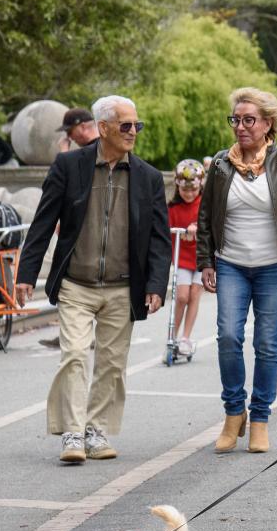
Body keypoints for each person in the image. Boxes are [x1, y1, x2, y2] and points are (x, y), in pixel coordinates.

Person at [16, 95, 171, 464]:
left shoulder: (148, 178)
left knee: (112, 364)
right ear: (103, 128)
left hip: (123, 286)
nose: (134, 132)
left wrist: (155, 285)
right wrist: (26, 273)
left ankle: (96, 429)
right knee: (73, 355)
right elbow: (42, 223)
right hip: (76, 284)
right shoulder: (70, 167)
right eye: (126, 125)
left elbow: (160, 239)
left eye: (137, 125)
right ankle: (72, 432)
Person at [197, 88, 277, 454]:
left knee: (266, 343)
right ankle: (235, 413)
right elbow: (205, 217)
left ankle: (260, 417)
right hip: (231, 263)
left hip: (275, 267)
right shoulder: (220, 165)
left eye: (249, 120)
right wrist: (206, 261)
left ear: (268, 124)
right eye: (236, 120)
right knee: (229, 337)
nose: (241, 127)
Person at [40, 109, 102, 349]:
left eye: (70, 131)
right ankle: (74, 330)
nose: (70, 136)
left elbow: (73, 186)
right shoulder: (88, 153)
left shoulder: (96, 153)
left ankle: (80, 332)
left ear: (84, 126)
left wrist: (63, 154)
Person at [168, 159, 206, 356]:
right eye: (185, 190)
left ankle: (186, 337)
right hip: (182, 258)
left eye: (193, 189)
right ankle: (172, 337)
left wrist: (198, 228)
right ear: (178, 187)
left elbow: (213, 226)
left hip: (201, 258)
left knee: (194, 295)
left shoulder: (205, 206)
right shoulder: (173, 209)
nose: (189, 194)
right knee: (182, 295)